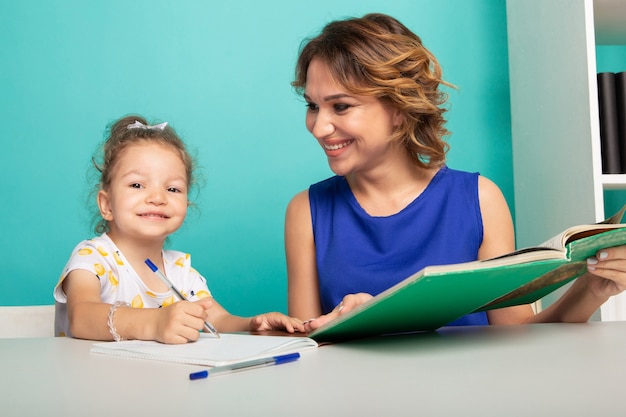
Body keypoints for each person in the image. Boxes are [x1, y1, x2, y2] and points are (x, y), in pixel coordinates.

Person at [284, 13, 626, 331]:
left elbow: (518, 337)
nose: (318, 127)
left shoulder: (480, 199)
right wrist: (354, 324)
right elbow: (306, 346)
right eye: (313, 106)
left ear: (399, 108)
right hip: (356, 395)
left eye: (340, 106)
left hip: (473, 393)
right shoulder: (307, 211)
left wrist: (591, 290)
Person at [54, 115, 304, 344]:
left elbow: (214, 320)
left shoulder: (181, 272)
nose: (157, 197)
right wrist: (154, 323)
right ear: (106, 204)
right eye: (137, 184)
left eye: (172, 189)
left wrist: (253, 324)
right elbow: (82, 317)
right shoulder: (92, 258)